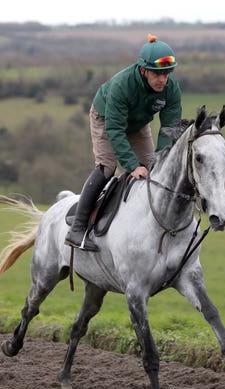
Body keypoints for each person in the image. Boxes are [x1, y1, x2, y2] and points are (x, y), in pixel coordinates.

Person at [65, 34, 182, 251]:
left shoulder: (171, 88)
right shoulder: (122, 85)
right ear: (143, 70)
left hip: (138, 124)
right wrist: (130, 165)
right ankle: (78, 228)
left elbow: (170, 129)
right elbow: (115, 131)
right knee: (108, 167)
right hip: (106, 119)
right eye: (157, 74)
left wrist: (160, 157)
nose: (162, 80)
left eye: (167, 73)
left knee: (153, 167)